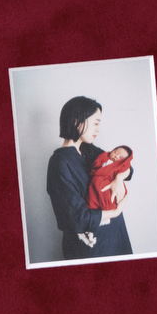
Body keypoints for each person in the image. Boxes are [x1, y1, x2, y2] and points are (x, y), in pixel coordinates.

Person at [45, 96, 132, 260]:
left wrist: (119, 179)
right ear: (77, 122)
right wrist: (116, 211)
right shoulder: (59, 162)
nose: (98, 129)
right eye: (96, 123)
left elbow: (126, 165)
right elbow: (78, 218)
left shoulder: (89, 150)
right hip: (91, 247)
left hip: (115, 235)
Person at [85, 144, 135, 213]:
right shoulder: (104, 156)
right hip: (98, 182)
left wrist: (118, 178)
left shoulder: (93, 149)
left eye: (120, 158)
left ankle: (108, 207)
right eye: (115, 153)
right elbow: (96, 166)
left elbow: (129, 169)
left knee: (109, 198)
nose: (116, 156)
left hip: (111, 183)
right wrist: (115, 212)